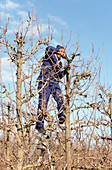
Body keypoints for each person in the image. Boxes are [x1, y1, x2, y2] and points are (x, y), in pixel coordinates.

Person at [36, 45, 69, 133]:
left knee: (60, 99)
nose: (62, 53)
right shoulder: (49, 55)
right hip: (45, 82)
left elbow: (59, 76)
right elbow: (48, 48)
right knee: (42, 103)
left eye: (63, 51)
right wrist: (58, 51)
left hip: (54, 83)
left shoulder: (60, 63)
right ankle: (39, 125)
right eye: (60, 51)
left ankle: (61, 116)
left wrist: (65, 71)